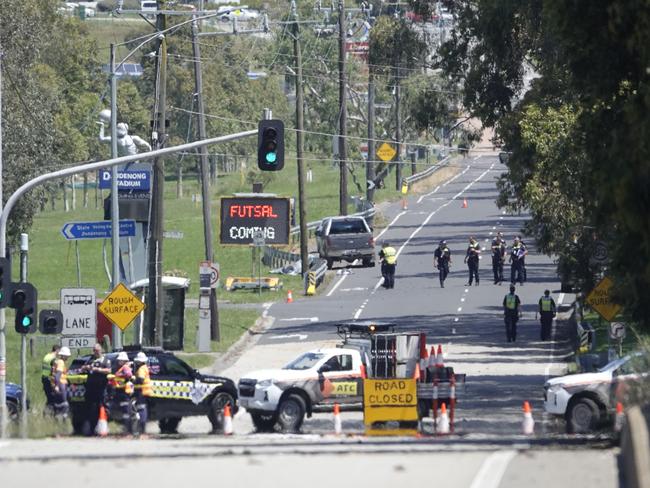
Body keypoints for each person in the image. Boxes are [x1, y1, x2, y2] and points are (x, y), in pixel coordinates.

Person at [81, 343, 112, 435]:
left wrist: (97, 370)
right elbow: (83, 368)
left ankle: (102, 428)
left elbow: (109, 370)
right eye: (94, 350)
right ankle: (91, 429)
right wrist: (86, 368)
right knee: (91, 409)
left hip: (101, 387)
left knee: (102, 407)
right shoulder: (90, 360)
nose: (95, 352)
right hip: (90, 388)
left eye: (97, 350)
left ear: (101, 350)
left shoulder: (105, 360)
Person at [110, 351, 134, 434]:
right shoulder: (120, 368)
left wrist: (118, 376)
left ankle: (128, 429)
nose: (118, 361)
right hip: (119, 391)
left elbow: (129, 375)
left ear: (124, 360)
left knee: (126, 411)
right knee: (123, 411)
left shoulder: (125, 367)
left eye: (120, 360)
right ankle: (126, 429)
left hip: (124, 392)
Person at [133, 352, 152, 436]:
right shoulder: (145, 367)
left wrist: (132, 380)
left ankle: (142, 430)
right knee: (143, 409)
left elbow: (140, 380)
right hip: (145, 391)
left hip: (142, 391)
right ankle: (142, 430)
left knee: (141, 410)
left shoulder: (141, 369)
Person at [51, 346, 71, 418]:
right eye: (67, 356)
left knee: (58, 403)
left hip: (58, 384)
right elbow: (58, 375)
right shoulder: (61, 363)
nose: (68, 358)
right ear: (64, 356)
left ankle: (57, 417)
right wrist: (57, 386)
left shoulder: (58, 361)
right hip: (60, 385)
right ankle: (63, 418)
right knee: (64, 403)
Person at [41, 345, 60, 413]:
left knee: (49, 397)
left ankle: (46, 412)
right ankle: (51, 413)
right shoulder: (53, 359)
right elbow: (53, 370)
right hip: (49, 379)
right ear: (57, 350)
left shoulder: (46, 356)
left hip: (44, 378)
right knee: (52, 398)